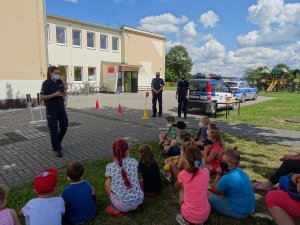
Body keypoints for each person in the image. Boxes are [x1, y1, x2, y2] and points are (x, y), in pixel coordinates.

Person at [209, 149, 255, 219]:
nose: (221, 163)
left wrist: (218, 174)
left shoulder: (227, 177)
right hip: (249, 209)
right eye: (222, 160)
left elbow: (214, 191)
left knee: (209, 196)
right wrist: (223, 192)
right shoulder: (239, 171)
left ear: (233, 165)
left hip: (239, 212)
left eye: (224, 162)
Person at [105, 139, 144, 217]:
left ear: (114, 153)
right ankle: (134, 208)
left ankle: (117, 209)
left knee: (107, 183)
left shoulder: (110, 167)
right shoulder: (134, 162)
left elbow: (110, 183)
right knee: (136, 180)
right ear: (127, 151)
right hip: (137, 201)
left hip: (121, 205)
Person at [175, 146, 210, 225]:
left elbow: (177, 186)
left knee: (181, 189)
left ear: (186, 161)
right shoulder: (206, 171)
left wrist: (178, 184)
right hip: (205, 214)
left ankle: (186, 221)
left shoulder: (182, 174)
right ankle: (198, 222)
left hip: (189, 214)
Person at [40, 66, 68, 157]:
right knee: (54, 130)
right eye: (55, 73)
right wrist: (55, 94)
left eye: (58, 73)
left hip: (61, 108)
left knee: (64, 126)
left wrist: (65, 95)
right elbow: (41, 97)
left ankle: (57, 143)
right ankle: (57, 149)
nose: (57, 75)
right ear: (50, 73)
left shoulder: (60, 82)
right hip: (51, 110)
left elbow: (63, 93)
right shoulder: (46, 83)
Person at [61, 160, 96, 225]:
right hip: (92, 214)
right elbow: (93, 191)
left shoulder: (65, 191)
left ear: (67, 176)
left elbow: (62, 207)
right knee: (92, 189)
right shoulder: (87, 183)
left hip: (76, 220)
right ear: (83, 174)